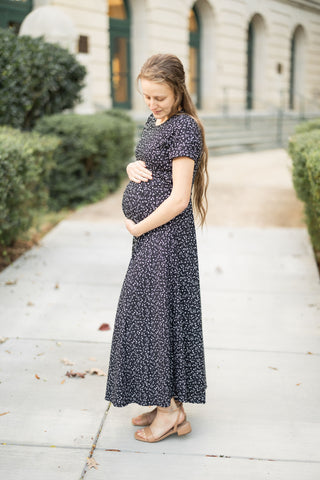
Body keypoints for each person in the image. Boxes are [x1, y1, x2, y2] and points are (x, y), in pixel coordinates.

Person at [105, 53, 208, 443]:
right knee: (153, 317)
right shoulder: (156, 121)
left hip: (165, 238)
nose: (151, 104)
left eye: (159, 97)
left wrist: (138, 227)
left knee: (154, 318)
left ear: (178, 91)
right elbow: (150, 164)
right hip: (151, 237)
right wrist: (133, 167)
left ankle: (169, 412)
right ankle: (166, 400)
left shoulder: (185, 128)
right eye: (146, 97)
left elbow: (180, 198)